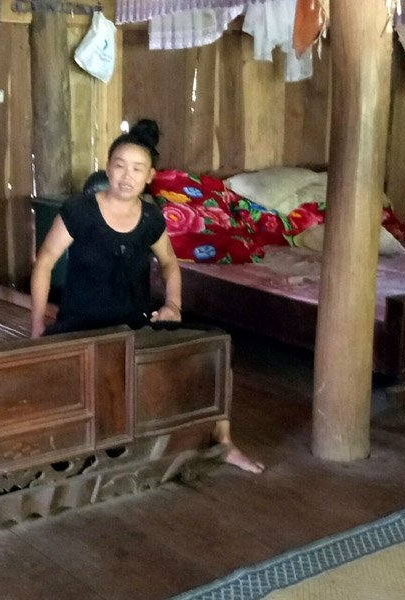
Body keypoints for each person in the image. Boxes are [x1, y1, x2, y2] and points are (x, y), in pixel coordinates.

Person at [30, 119, 264, 474]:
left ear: (150, 176)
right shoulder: (80, 211)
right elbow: (45, 262)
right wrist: (37, 324)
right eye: (120, 166)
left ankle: (224, 442)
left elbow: (170, 264)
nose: (127, 176)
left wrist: (173, 305)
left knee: (216, 345)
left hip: (137, 322)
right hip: (81, 324)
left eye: (137, 168)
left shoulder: (151, 218)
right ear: (108, 168)